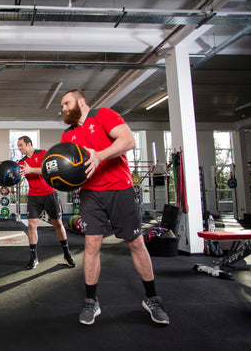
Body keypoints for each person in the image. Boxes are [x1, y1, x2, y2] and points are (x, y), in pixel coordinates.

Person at [60, 89, 170, 325]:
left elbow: (128, 140)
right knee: (91, 244)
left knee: (136, 242)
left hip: (120, 189)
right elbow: (70, 169)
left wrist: (99, 156)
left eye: (67, 103)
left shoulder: (103, 115)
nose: (64, 109)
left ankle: (152, 298)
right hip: (90, 194)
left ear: (81, 101)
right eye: (62, 106)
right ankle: (91, 301)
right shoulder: (67, 136)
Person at [17, 136, 76, 269]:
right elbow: (17, 177)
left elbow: (49, 170)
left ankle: (67, 253)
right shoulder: (22, 162)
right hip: (33, 196)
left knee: (58, 224)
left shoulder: (43, 153)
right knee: (31, 226)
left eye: (21, 145)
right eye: (18, 146)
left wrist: (31, 170)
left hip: (49, 193)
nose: (19, 148)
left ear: (29, 144)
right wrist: (5, 180)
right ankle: (34, 257)